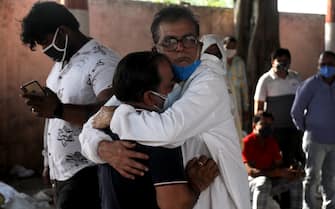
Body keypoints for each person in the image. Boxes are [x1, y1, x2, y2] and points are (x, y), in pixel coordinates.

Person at [80, 6, 250, 209]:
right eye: (169, 42)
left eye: (189, 40)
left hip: (215, 199)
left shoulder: (208, 83)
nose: (180, 48)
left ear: (199, 44)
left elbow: (168, 130)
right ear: (156, 49)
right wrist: (102, 148)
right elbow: (90, 128)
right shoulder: (149, 82)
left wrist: (116, 115)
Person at [20, 2, 119, 209]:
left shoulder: (103, 61)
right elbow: (52, 118)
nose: (45, 50)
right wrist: (49, 161)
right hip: (62, 174)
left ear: (63, 31)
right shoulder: (61, 64)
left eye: (45, 42)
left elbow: (110, 113)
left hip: (89, 172)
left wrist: (58, 110)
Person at [96, 51, 219, 209]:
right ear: (150, 97)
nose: (176, 88)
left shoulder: (106, 128)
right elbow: (174, 204)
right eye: (170, 85)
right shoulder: (158, 137)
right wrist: (197, 184)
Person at [291, 51, 335, 209]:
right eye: (323, 65)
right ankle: (309, 206)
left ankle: (330, 206)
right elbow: (296, 111)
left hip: (333, 141)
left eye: (331, 64)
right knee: (312, 176)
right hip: (315, 140)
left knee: (330, 178)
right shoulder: (310, 85)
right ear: (318, 66)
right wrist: (306, 130)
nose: (327, 68)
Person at [254, 48, 304, 168]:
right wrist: (259, 127)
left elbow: (303, 101)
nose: (282, 63)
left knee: (294, 161)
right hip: (274, 130)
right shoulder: (265, 80)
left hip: (294, 128)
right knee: (276, 162)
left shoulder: (296, 77)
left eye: (285, 60)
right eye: (279, 60)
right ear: (272, 62)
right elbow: (259, 107)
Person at [242, 111, 304, 209]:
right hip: (248, 184)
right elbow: (250, 172)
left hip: (270, 181)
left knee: (296, 181)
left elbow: (278, 166)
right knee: (263, 182)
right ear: (254, 125)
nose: (268, 127)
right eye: (264, 124)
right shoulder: (246, 143)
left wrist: (291, 171)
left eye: (270, 125)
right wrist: (276, 173)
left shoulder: (271, 142)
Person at [200, 34, 244, 142]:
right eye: (208, 53)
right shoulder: (198, 78)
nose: (213, 57)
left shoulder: (225, 79)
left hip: (227, 131)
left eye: (216, 53)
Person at [223, 36, 249, 129]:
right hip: (222, 103)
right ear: (223, 47)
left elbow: (244, 86)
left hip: (237, 104)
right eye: (228, 47)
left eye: (233, 48)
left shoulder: (240, 63)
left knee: (237, 129)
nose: (230, 50)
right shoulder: (218, 63)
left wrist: (246, 107)